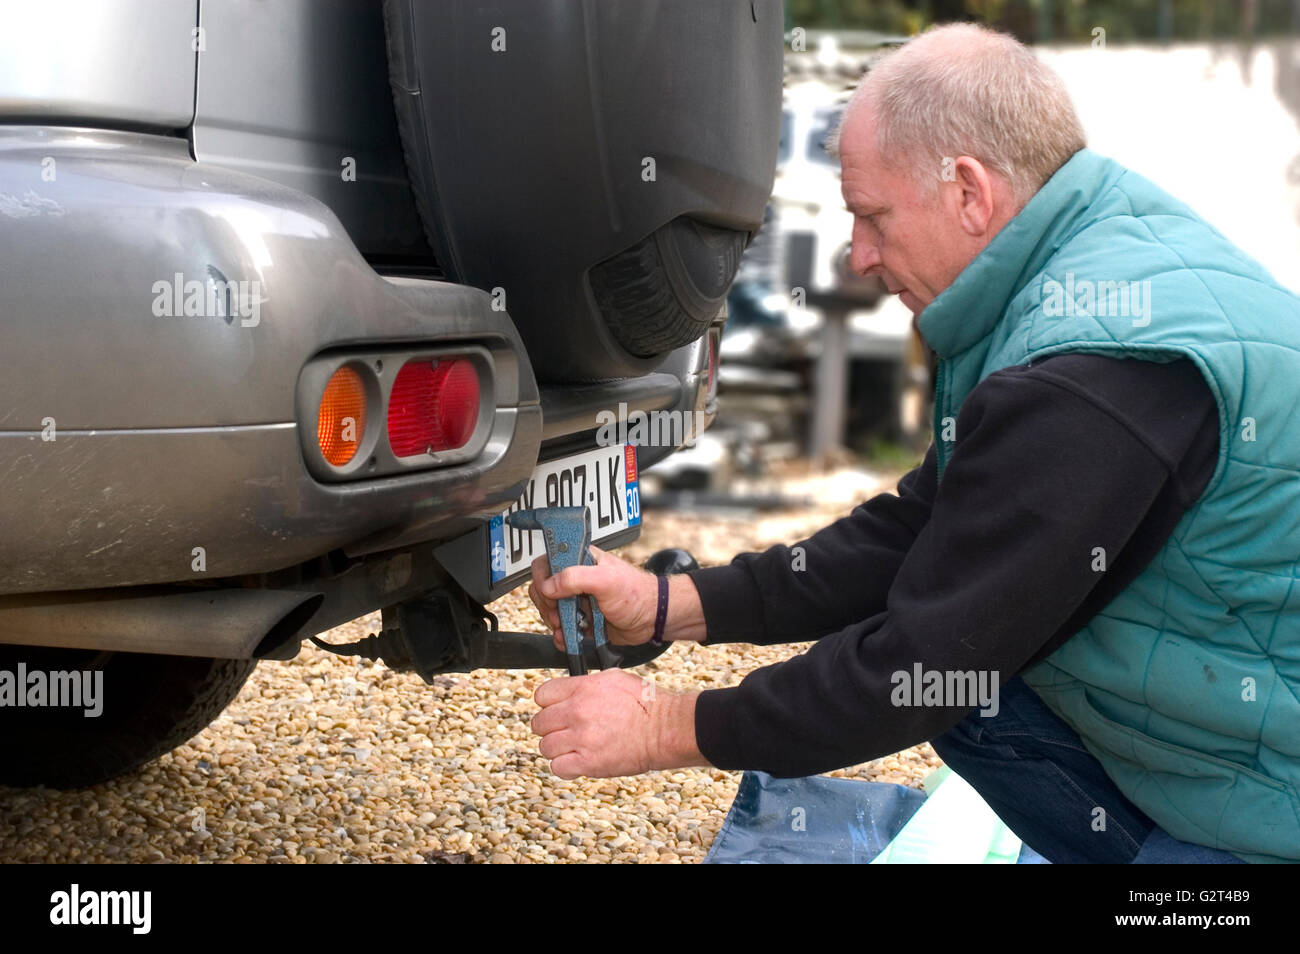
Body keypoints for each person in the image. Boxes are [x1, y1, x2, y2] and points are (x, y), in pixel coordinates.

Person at [526, 22, 1300, 864]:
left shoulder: (1090, 372)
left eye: (871, 216)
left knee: (956, 680)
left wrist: (661, 725)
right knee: (975, 694)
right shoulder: (1086, 264)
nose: (858, 256)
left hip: (1276, 793)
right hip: (1248, 714)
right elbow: (924, 532)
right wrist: (675, 605)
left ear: (968, 191)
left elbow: (921, 659)